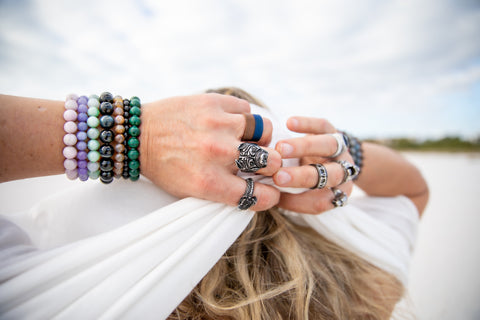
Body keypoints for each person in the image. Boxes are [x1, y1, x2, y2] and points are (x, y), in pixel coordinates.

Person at [0, 88, 428, 319]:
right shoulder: (363, 269)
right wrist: (343, 151)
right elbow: (414, 189)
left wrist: (139, 135)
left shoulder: (69, 288)